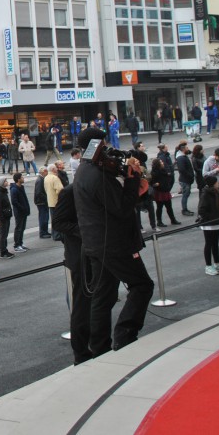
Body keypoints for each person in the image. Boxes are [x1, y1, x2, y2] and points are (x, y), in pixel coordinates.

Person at [74, 127, 154, 356]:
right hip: (114, 243)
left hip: (96, 243)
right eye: (103, 145)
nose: (107, 149)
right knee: (142, 285)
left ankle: (99, 346)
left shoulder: (85, 170)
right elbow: (121, 207)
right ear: (95, 145)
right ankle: (125, 334)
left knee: (104, 295)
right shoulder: (97, 174)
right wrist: (132, 179)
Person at [51, 184, 92, 364]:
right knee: (82, 302)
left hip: (98, 251)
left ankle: (98, 343)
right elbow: (58, 222)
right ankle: (82, 352)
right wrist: (83, 231)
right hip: (80, 255)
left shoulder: (96, 186)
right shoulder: (69, 192)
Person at [197, 176, 219, 275]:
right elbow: (201, 209)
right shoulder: (206, 193)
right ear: (213, 183)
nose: (218, 183)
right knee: (209, 243)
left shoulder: (216, 191)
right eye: (216, 182)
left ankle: (217, 263)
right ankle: (208, 266)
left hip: (217, 221)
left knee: (215, 243)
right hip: (209, 222)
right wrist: (211, 217)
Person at [150, 158, 180, 227]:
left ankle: (173, 219)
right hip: (159, 191)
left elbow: (167, 177)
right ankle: (159, 221)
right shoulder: (154, 172)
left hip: (166, 190)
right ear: (158, 164)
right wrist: (156, 184)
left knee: (169, 207)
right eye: (161, 162)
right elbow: (152, 182)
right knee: (159, 207)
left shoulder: (163, 170)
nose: (162, 163)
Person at [9, 172, 31, 252]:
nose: (23, 178)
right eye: (22, 177)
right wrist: (22, 208)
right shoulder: (14, 189)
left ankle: (20, 243)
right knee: (19, 228)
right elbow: (14, 202)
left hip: (23, 211)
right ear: (18, 179)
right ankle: (16, 245)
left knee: (22, 228)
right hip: (19, 212)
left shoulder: (21, 187)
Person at [0, 178, 13, 259]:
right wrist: (1, 218)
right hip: (4, 217)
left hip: (6, 215)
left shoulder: (3, 191)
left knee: (5, 234)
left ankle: (5, 249)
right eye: (5, 181)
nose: (7, 182)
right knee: (3, 234)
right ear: (2, 183)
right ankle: (3, 251)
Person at [175, 142, 195, 216]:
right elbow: (182, 169)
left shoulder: (183, 156)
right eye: (186, 148)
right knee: (185, 195)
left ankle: (185, 209)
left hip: (186, 179)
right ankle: (184, 209)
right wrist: (190, 175)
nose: (188, 149)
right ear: (183, 149)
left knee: (186, 194)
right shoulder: (181, 158)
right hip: (185, 180)